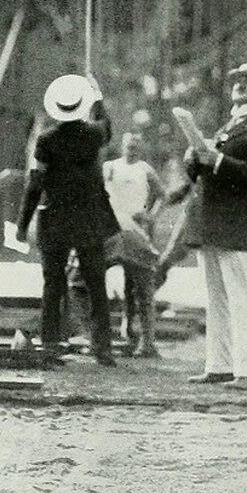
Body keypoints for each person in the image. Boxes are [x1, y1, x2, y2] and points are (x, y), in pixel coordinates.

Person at [170, 63, 247, 391]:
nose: (239, 85)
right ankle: (219, 365)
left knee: (241, 298)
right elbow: (201, 174)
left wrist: (217, 160)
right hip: (211, 220)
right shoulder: (226, 128)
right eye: (237, 81)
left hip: (234, 222)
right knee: (215, 298)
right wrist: (194, 159)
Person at [17, 74, 119, 366]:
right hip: (88, 220)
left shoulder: (46, 139)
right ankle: (103, 347)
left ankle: (50, 345)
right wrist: (97, 96)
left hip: (55, 220)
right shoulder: (93, 135)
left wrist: (23, 224)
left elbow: (35, 183)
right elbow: (107, 127)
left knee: (53, 285)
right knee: (96, 284)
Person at [102, 132, 165, 356]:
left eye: (136, 147)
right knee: (91, 278)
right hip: (112, 229)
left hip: (136, 231)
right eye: (129, 146)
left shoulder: (145, 169)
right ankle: (97, 336)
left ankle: (145, 341)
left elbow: (162, 195)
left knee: (140, 286)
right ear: (122, 147)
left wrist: (150, 216)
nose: (132, 151)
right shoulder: (111, 167)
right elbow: (99, 190)